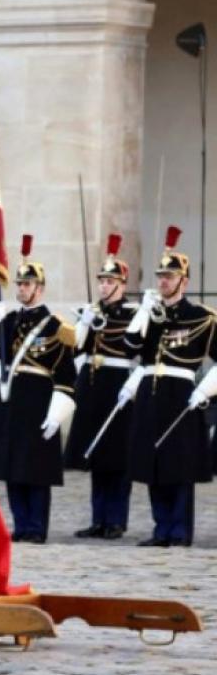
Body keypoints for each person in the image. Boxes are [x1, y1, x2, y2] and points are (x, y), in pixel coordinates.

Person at [124, 226, 214, 547]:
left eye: (170, 276)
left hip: (181, 394)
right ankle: (161, 529)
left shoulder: (201, 317)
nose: (163, 281)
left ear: (183, 282)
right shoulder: (152, 314)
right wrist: (143, 313)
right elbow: (129, 347)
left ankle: (179, 531)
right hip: (150, 392)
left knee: (180, 464)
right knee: (154, 462)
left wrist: (205, 390)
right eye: (160, 276)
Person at [0, 235, 77, 543]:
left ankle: (36, 527)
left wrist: (57, 413)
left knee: (35, 469)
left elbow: (66, 374)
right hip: (11, 400)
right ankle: (21, 524)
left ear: (40, 288)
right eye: (20, 284)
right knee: (12, 467)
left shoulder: (55, 327)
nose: (22, 289)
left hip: (38, 402)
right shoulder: (9, 320)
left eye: (27, 284)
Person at [63, 234, 136, 538]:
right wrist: (84, 322)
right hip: (93, 386)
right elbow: (76, 348)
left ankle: (116, 520)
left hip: (118, 385)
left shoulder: (133, 314)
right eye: (102, 281)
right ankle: (99, 518)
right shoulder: (93, 313)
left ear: (122, 284)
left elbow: (136, 350)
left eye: (110, 282)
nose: (104, 286)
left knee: (117, 457)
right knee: (95, 455)